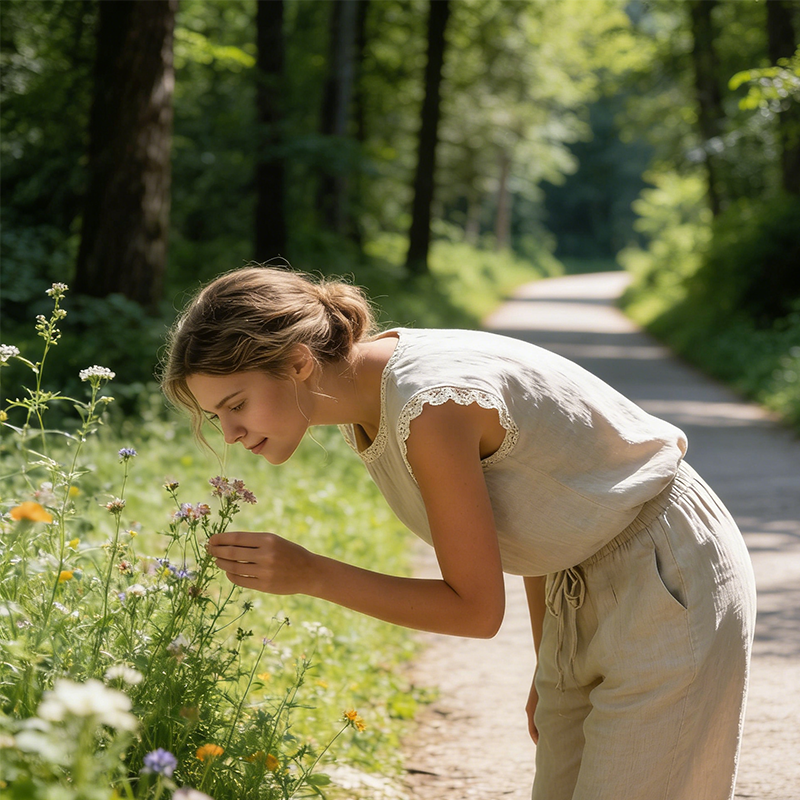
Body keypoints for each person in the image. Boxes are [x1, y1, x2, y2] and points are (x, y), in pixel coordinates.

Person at [161, 265, 757, 800]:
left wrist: (309, 573)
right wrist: (553, 666)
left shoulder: (430, 406)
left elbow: (475, 611)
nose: (231, 432)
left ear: (296, 362)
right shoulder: (364, 400)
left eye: (235, 403)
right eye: (217, 416)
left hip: (670, 572)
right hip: (581, 578)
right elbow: (536, 513)